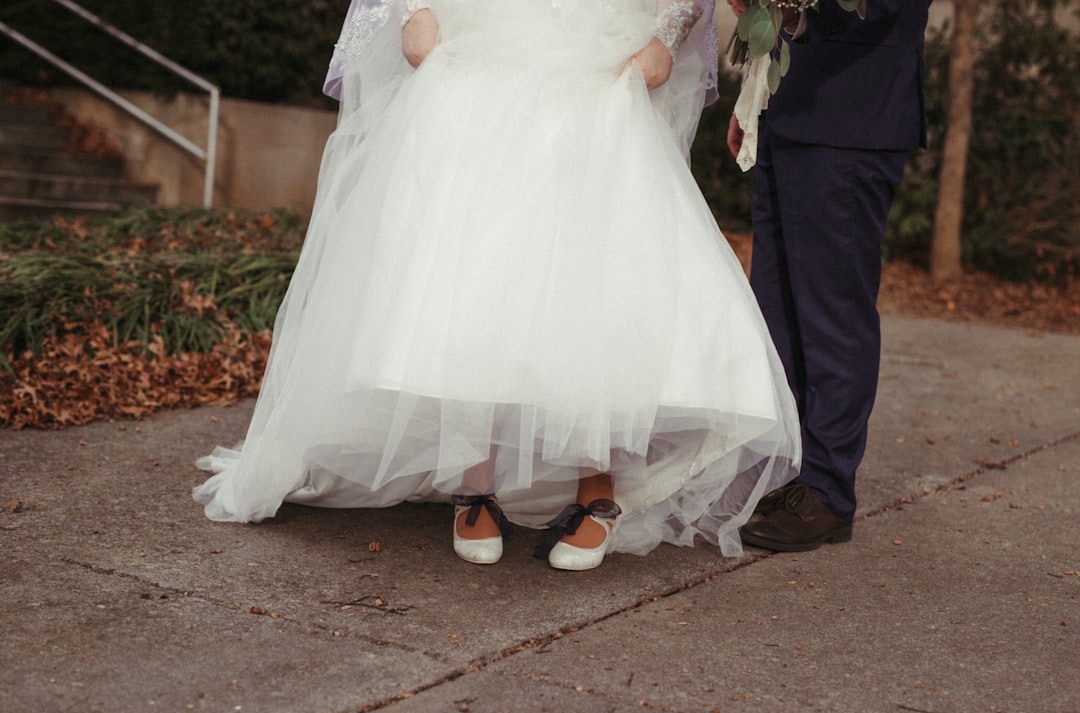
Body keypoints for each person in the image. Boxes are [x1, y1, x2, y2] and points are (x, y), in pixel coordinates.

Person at [194, 0, 801, 571]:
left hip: (597, 44)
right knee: (476, 253)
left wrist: (669, 28)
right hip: (484, 37)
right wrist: (414, 10)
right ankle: (475, 483)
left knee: (595, 255)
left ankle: (598, 487)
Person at [725, 0, 931, 552]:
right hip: (786, 106)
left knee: (832, 313)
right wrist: (753, 98)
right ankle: (795, 475)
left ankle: (829, 491)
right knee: (778, 306)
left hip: (852, 115)